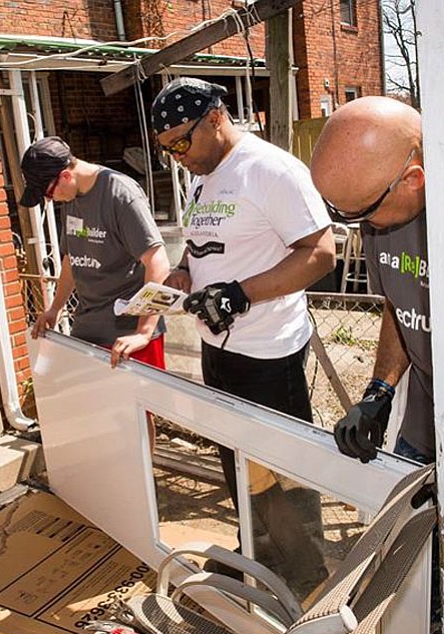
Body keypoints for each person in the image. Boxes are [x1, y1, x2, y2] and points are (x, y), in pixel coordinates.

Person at [152, 77, 336, 597]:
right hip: (219, 348)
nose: (177, 157)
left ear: (215, 117)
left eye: (181, 143)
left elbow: (320, 253)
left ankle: (306, 575)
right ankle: (256, 551)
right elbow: (204, 246)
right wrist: (186, 271)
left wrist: (239, 294)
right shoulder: (203, 177)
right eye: (168, 151)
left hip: (268, 349)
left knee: (283, 469)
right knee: (237, 460)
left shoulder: (270, 169)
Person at [309, 95, 440, 634]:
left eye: (362, 215)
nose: (358, 230)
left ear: (414, 177)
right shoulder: (386, 211)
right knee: (413, 565)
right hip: (423, 425)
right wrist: (379, 393)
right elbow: (396, 308)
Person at [21, 137, 170, 369]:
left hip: (129, 339)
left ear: (66, 176)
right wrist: (55, 308)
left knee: (143, 406)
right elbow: (72, 259)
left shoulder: (120, 194)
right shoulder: (71, 197)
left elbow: (158, 264)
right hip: (87, 333)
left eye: (48, 193)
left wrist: (144, 332)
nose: (49, 200)